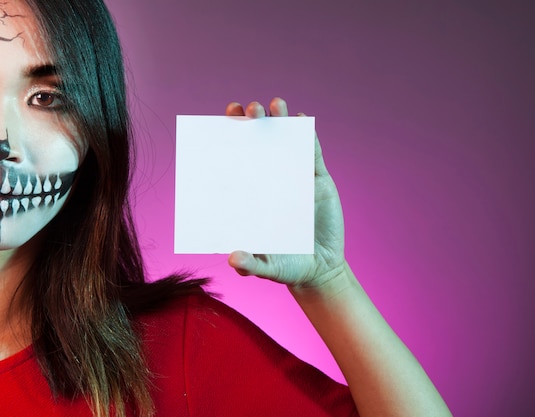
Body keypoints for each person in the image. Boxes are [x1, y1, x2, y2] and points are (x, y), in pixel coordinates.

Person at [0, 0, 452, 416]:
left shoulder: (170, 346)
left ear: (97, 134)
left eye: (45, 98)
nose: (6, 141)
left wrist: (330, 282)